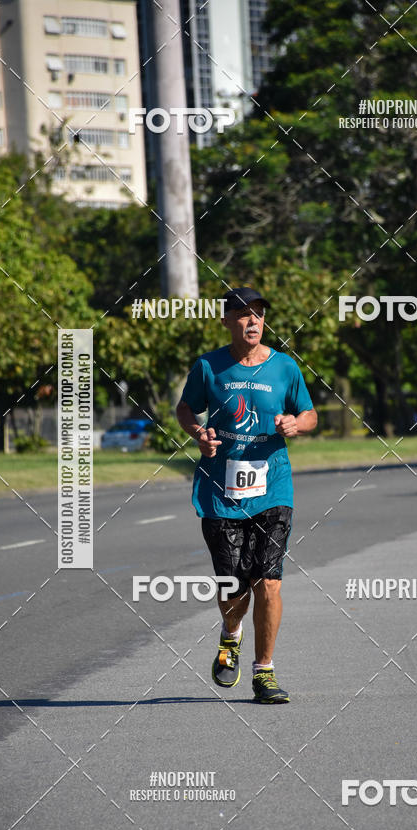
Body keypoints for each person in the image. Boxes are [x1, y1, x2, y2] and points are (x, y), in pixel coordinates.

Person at [176, 286, 317, 703]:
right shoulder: (208, 367)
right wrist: (197, 433)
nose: (253, 320)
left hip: (273, 487)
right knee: (233, 583)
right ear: (226, 321)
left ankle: (264, 673)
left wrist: (296, 424)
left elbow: (308, 413)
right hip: (221, 491)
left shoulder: (284, 367)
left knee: (269, 582)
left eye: (258, 313)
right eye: (243, 313)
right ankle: (230, 633)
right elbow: (186, 409)